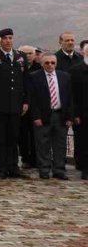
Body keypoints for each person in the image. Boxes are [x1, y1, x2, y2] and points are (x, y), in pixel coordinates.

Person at [0, 29, 31, 179]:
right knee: (1, 138)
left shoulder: (20, 56)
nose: (8, 41)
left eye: (10, 38)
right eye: (5, 38)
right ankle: (2, 168)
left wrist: (26, 101)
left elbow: (25, 80)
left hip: (16, 104)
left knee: (13, 137)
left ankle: (13, 167)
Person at [28, 54, 73, 180]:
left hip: (60, 115)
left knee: (60, 144)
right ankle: (44, 169)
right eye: (47, 63)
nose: (50, 65)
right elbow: (33, 99)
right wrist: (36, 116)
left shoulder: (65, 76)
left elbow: (70, 98)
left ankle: (59, 169)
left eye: (52, 63)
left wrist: (69, 117)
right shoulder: (35, 77)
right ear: (42, 64)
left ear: (56, 64)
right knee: (43, 144)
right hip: (43, 115)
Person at [70, 41, 88, 179]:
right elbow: (72, 95)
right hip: (83, 113)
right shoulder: (76, 70)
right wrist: (75, 114)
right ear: (84, 53)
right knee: (83, 142)